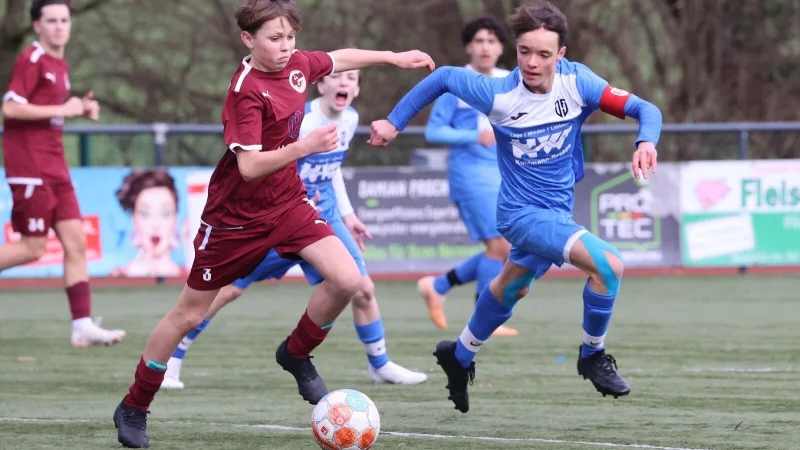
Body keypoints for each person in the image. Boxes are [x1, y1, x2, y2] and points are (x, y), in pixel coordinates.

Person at [112, 0, 435, 447]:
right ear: (249, 39)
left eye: (290, 37)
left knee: (348, 280)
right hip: (234, 219)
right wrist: (305, 148)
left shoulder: (299, 65)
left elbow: (340, 56)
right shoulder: (245, 90)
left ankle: (295, 353)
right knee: (189, 314)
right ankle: (134, 406)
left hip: (287, 203)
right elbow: (247, 167)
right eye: (274, 39)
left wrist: (391, 58)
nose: (285, 48)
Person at [369, 0, 661, 413]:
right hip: (520, 215)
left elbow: (645, 109)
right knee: (609, 264)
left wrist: (645, 140)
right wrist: (394, 122)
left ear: (561, 54)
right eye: (525, 51)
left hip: (557, 211)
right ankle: (593, 353)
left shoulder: (579, 83)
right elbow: (446, 79)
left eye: (544, 54)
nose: (532, 62)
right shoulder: (499, 93)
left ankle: (460, 354)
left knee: (514, 285)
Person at [161, 69, 427, 390]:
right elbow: (273, 167)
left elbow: (333, 169)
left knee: (362, 288)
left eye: (352, 79)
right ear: (321, 84)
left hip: (322, 218)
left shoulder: (350, 119)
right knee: (229, 288)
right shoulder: (302, 122)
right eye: (338, 76)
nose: (344, 83)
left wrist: (348, 214)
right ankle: (172, 360)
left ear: (357, 89)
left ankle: (380, 364)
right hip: (282, 215)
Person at [0, 0, 126, 347]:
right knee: (31, 249)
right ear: (37, 26)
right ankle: (82, 325)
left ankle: (82, 326)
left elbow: (49, 112)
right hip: (31, 168)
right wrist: (64, 107)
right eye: (51, 20)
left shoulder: (59, 62)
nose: (59, 26)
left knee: (76, 245)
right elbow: (10, 108)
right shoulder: (33, 58)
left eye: (64, 20)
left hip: (56, 167)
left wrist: (80, 109)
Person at [418, 16, 517, 337]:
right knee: (500, 246)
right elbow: (434, 131)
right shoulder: (457, 82)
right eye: (479, 41)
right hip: (470, 176)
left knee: (502, 249)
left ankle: (437, 286)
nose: (485, 47)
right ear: (468, 47)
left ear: (501, 47)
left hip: (505, 175)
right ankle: (483, 318)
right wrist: (473, 135)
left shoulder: (511, 81)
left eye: (492, 40)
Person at [113, 169, 186, 278]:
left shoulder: (191, 278)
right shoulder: (118, 275)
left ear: (175, 219)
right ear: (133, 219)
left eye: (165, 214)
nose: (155, 225)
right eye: (145, 214)